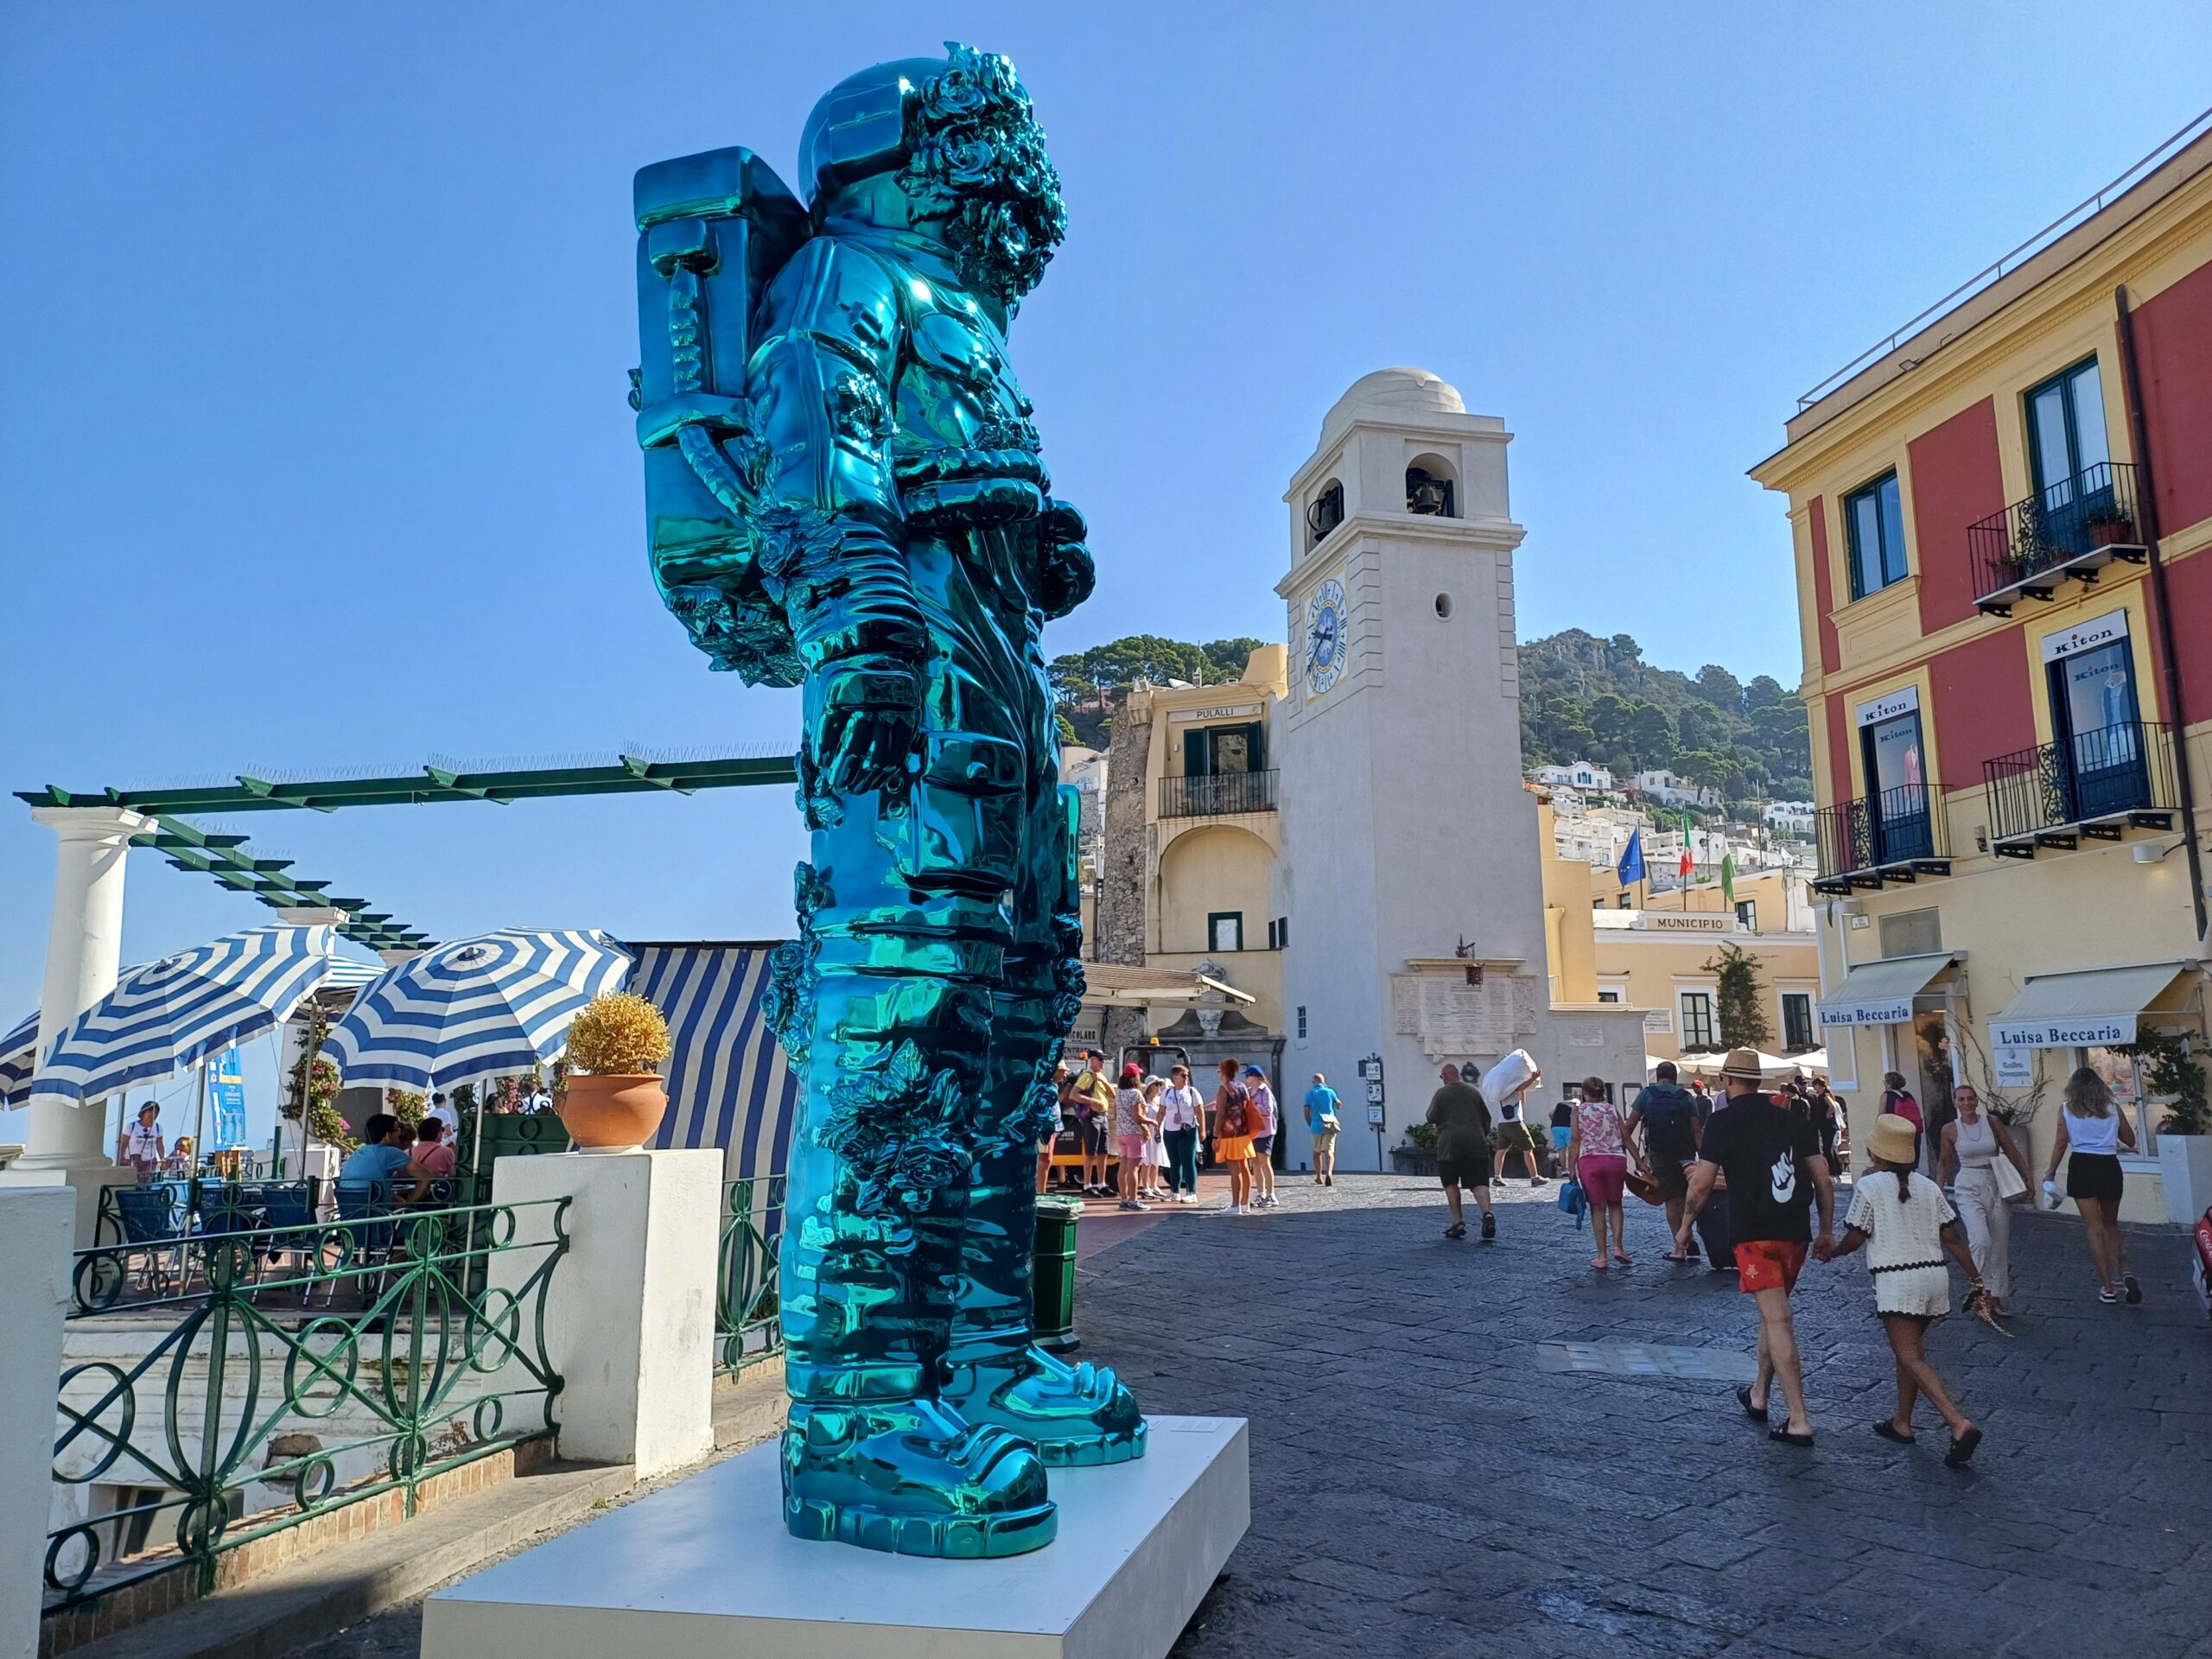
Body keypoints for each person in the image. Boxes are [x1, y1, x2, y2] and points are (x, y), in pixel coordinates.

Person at [1678, 1048, 1835, 1446]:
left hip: (1753, 1235)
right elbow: (1824, 1181)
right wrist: (1826, 1230)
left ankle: (1798, 1419)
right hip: (1794, 1233)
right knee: (1773, 1313)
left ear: (1728, 1083)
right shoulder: (1791, 1119)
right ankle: (1759, 1395)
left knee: (1778, 1320)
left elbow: (1699, 1186)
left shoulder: (1722, 1121)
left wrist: (1684, 1229)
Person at [1820, 1113, 1985, 1465]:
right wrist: (1976, 1279)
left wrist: (1833, 1251)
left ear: (1875, 1151)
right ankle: (1903, 1423)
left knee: (1910, 1355)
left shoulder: (1870, 1186)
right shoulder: (1929, 1186)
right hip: (1934, 1278)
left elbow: (1857, 1235)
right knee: (1908, 1352)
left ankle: (1958, 1423)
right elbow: (1952, 1238)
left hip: (1898, 1281)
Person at [2042, 1066, 2140, 1305]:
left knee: (2094, 1229)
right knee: (2111, 1225)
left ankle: (2108, 1288)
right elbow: (2130, 1140)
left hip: (2082, 1166)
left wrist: (2051, 1171)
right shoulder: (2113, 1108)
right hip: (2109, 1165)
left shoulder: (2067, 1109)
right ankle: (2124, 1272)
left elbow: (2060, 1143)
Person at [1940, 1084, 2030, 1318]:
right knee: (1980, 1240)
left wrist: (2027, 1180)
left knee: (1999, 1243)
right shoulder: (1950, 1129)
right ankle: (1978, 1288)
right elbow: (1944, 1162)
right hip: (1968, 1184)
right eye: (1961, 1099)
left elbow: (2012, 1151)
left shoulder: (1992, 1123)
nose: (1966, 1103)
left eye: (1970, 1098)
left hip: (1995, 1181)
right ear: (1955, 1103)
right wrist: (1938, 1191)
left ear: (1976, 1100)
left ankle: (1995, 1298)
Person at [1631, 1062, 1704, 1262]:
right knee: (1687, 1196)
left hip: (1659, 1154)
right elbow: (1696, 1130)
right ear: (1675, 1077)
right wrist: (1704, 1157)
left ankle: (1679, 1247)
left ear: (1658, 1076)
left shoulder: (1647, 1094)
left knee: (1672, 1199)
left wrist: (1627, 1153)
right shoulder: (1686, 1097)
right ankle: (1689, 1235)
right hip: (1685, 1153)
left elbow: (1630, 1124)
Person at [1570, 1077, 1633, 1270]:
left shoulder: (1578, 1111)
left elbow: (1575, 1140)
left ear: (1584, 1092)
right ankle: (1618, 1247)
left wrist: (1570, 1167)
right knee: (1616, 1204)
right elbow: (1626, 1138)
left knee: (1597, 1208)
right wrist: (1640, 1163)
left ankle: (1601, 1256)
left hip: (1591, 1161)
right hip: (1615, 1160)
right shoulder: (1612, 1109)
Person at [1427, 1065, 1496, 1240]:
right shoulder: (1474, 1092)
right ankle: (1487, 1214)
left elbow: (1431, 1117)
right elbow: (1486, 1118)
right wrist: (1481, 1135)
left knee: (1450, 1182)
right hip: (1476, 1143)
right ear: (1458, 1075)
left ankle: (1457, 1222)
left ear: (1444, 1076)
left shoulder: (1441, 1094)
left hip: (1450, 1145)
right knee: (1479, 1182)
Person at [339, 1113, 431, 1205]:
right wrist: (409, 1202)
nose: (399, 1132)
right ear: (387, 1136)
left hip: (349, 1212)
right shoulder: (390, 1153)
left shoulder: (358, 1152)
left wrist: (393, 1197)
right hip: (376, 1213)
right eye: (397, 1130)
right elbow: (426, 1176)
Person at [1063, 1051, 1115, 1197]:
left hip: (1103, 1116)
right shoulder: (1087, 1076)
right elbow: (1074, 1095)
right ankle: (1087, 1185)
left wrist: (1103, 1081)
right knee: (1090, 1152)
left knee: (1103, 1151)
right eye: (1101, 1060)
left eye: (1104, 1060)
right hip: (1091, 1117)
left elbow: (1112, 1094)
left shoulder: (1100, 1076)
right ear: (1092, 1060)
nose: (1103, 1063)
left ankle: (1102, 1183)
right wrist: (1092, 1101)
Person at [1211, 1059, 1258, 1215]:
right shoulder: (1242, 1087)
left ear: (1223, 1071)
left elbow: (1221, 1113)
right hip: (1243, 1132)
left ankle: (1235, 1205)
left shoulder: (1223, 1088)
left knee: (1234, 1170)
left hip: (1229, 1134)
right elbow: (1247, 1107)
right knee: (1245, 1168)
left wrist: (1215, 1135)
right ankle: (1245, 1203)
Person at [1158, 1064, 1205, 1203]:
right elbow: (1161, 1111)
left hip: (1187, 1129)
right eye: (1183, 1075)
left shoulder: (1192, 1092)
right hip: (1170, 1130)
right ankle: (1175, 1191)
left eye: (1187, 1075)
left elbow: (1199, 1111)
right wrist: (1157, 1127)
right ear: (1175, 1077)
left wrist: (1202, 1130)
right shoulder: (1167, 1093)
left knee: (1188, 1161)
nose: (1186, 1078)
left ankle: (1191, 1192)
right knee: (1174, 1162)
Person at [1490, 1071, 1547, 1187]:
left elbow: (1522, 1099)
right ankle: (1534, 1177)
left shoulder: (1500, 1089)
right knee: (1528, 1148)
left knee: (1501, 1150)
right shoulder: (1511, 1086)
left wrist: (1523, 1088)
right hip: (1515, 1122)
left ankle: (1497, 1177)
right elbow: (1520, 1088)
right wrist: (1532, 1079)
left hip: (1502, 1123)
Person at [1111, 1063, 1152, 1211]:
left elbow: (1116, 1114)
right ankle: (1134, 1200)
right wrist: (1152, 1121)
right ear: (1135, 1077)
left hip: (1121, 1133)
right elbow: (1138, 1117)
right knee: (1134, 1169)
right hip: (1134, 1133)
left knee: (1123, 1168)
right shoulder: (1136, 1094)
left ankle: (1123, 1200)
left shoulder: (1119, 1093)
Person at [1242, 1065, 1281, 1210]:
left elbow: (1268, 1110)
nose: (1246, 1079)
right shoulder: (1250, 1092)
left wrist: (1253, 1106)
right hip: (1254, 1132)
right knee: (1256, 1163)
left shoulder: (1265, 1091)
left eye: (1248, 1076)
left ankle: (1271, 1194)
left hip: (1265, 1131)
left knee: (1264, 1162)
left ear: (1256, 1077)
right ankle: (1261, 1193)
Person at [1305, 1073, 1342, 1186]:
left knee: (1317, 1152)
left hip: (1316, 1125)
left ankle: (1318, 1176)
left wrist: (1310, 1123)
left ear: (1314, 1082)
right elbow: (1338, 1104)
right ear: (1324, 1081)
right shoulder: (1330, 1091)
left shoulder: (1310, 1094)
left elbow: (1306, 1111)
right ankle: (1329, 1173)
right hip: (1330, 1124)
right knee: (1329, 1151)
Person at [1880, 1071, 1923, 1166]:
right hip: (1912, 1132)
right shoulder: (1908, 1095)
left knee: (1896, 1164)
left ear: (1889, 1083)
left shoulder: (1887, 1095)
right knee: (1911, 1162)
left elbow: (1881, 1116)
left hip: (1895, 1133)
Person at [1138, 1077, 1169, 1201]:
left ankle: (1154, 1185)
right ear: (1151, 1086)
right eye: (1157, 1085)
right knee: (1147, 1161)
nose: (1159, 1087)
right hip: (1147, 1133)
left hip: (1157, 1133)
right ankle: (1145, 1186)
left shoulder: (1159, 1100)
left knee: (1155, 1159)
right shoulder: (1144, 1101)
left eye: (1160, 1085)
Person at [119, 1102, 165, 1181]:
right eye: (150, 1112)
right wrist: (120, 1160)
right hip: (132, 1161)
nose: (152, 1114)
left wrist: (163, 1160)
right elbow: (123, 1144)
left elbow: (160, 1145)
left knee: (148, 1184)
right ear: (143, 1113)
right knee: (131, 1183)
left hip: (149, 1162)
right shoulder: (131, 1126)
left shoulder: (158, 1128)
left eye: (155, 1112)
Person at [413, 1114, 458, 1183]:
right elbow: (452, 1176)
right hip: (435, 1190)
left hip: (411, 1191)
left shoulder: (407, 1152)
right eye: (442, 1130)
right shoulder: (446, 1152)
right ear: (438, 1134)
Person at [1549, 1094, 1573, 1174]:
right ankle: (1572, 1170)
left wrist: (1555, 1121)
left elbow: (1551, 1114)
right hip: (1568, 1128)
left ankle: (1564, 1171)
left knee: (1562, 1150)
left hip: (1556, 1127)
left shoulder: (1560, 1104)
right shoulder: (1575, 1107)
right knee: (1571, 1149)